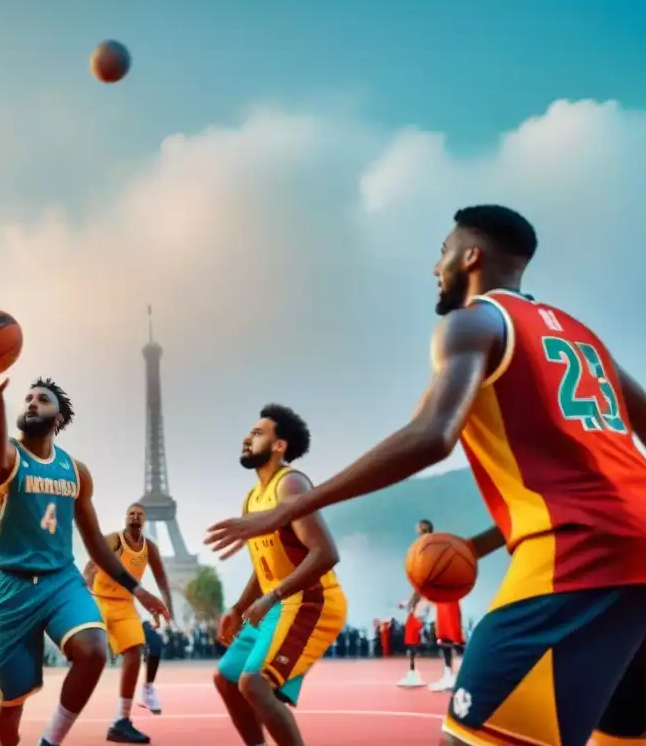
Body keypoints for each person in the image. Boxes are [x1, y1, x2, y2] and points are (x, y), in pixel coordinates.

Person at [206, 205, 646, 746]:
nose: (435, 266)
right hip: (631, 553)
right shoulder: (584, 338)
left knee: (467, 739)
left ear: (471, 255)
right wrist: (485, 541)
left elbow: (431, 436)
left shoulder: (474, 322)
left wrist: (287, 509)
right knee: (614, 738)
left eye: (443, 251)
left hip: (579, 560)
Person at [0, 369, 169, 746]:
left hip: (60, 579)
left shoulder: (76, 472)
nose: (32, 403)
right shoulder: (7, 454)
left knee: (95, 649)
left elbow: (94, 542)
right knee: (12, 701)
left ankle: (51, 742)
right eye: (28, 398)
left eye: (42, 400)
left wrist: (137, 590)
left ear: (58, 418)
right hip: (10, 585)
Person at [213, 405, 347, 746]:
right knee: (227, 679)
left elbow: (326, 553)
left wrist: (271, 597)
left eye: (258, 433)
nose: (247, 437)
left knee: (254, 683)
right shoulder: (253, 498)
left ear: (279, 446)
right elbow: (265, 567)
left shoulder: (291, 485)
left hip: (312, 600)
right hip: (276, 604)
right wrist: (239, 606)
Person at [84, 503, 174, 743]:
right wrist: (85, 585)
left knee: (135, 651)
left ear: (144, 520)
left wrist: (168, 606)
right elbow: (93, 560)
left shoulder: (149, 548)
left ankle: (120, 721)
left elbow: (161, 576)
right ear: (126, 518)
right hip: (100, 602)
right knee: (87, 657)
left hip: (124, 604)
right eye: (130, 513)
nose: (134, 516)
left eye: (139, 514)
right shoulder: (114, 539)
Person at [403, 519, 463, 691]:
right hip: (435, 595)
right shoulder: (429, 547)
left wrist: (414, 598)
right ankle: (446, 674)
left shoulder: (429, 548)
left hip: (443, 594)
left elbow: (423, 577)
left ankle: (459, 675)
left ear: (422, 528)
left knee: (450, 637)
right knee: (441, 635)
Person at [139, 619, 165, 714]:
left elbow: (143, 645)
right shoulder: (154, 633)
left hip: (150, 656)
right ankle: (151, 702)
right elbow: (161, 643)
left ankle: (145, 700)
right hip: (155, 656)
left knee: (147, 680)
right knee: (149, 681)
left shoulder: (145, 633)